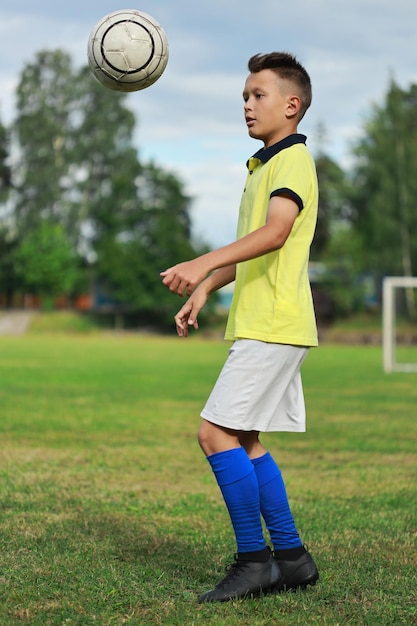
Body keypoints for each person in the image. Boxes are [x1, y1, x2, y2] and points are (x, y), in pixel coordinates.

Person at [160, 51, 319, 603]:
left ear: (292, 105)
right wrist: (206, 286)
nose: (248, 106)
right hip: (268, 321)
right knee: (245, 440)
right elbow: (253, 248)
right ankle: (293, 559)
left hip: (275, 324)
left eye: (259, 96)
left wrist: (200, 261)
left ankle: (255, 563)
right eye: (244, 98)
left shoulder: (293, 161)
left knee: (213, 433)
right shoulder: (263, 166)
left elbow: (276, 233)